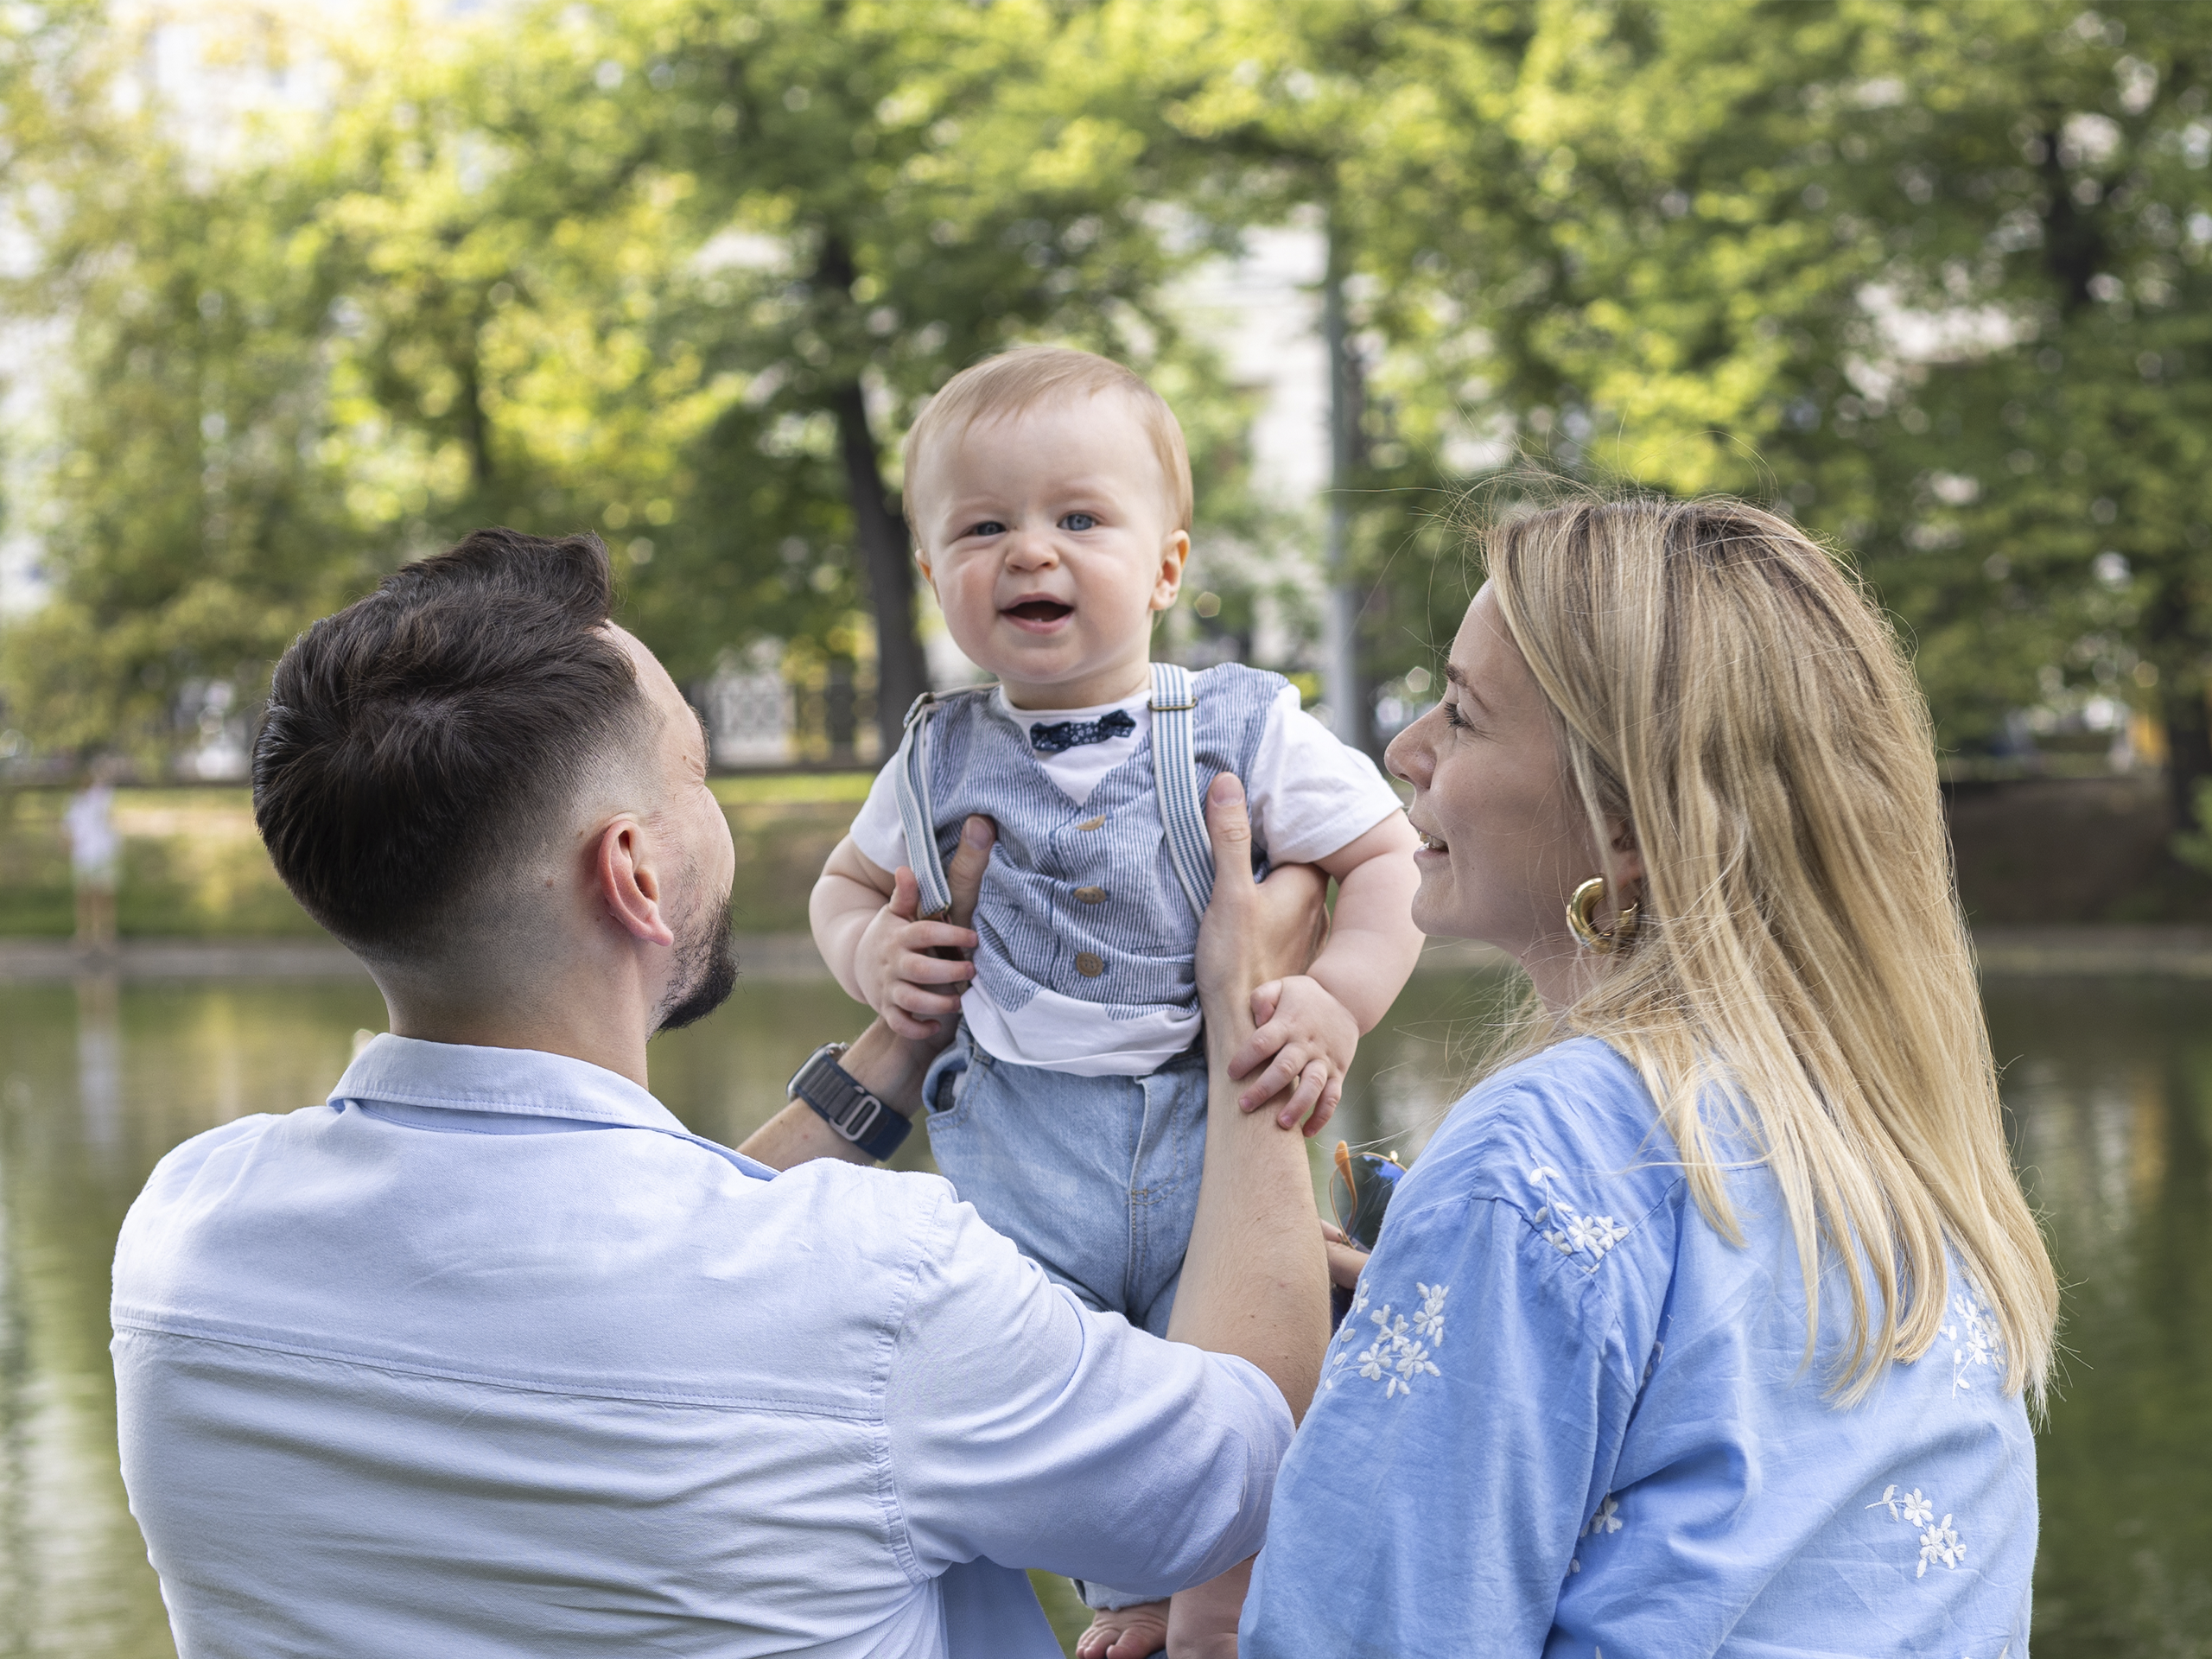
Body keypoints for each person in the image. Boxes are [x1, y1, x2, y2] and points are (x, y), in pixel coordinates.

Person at [109, 527, 1332, 1657]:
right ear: (633, 869)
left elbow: (663, 1267)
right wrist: (1247, 1013)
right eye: (695, 769)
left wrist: (892, 1059)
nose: (720, 811)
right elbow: (1250, 1464)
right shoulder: (889, 1289)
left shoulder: (186, 1238)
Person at [1240, 498, 2060, 1656]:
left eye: (1463, 718)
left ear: (1623, 826)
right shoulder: (1894, 1144)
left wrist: (1238, 1024)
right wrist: (1425, 1313)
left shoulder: (1536, 1160)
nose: (1404, 749)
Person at [810, 346, 1421, 1652]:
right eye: (984, 528)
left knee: (1254, 1412)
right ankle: (1132, 1597)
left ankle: (1221, 1614)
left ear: (1165, 566)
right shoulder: (934, 752)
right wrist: (873, 958)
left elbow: (1382, 859)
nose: (1031, 552)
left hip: (1207, 1144)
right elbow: (842, 887)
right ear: (934, 576)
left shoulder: (1242, 727)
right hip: (1019, 1163)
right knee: (1064, 1422)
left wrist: (1338, 1002)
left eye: (1079, 518)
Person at [63, 758, 122, 950]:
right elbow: (68, 828)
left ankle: (106, 934)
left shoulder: (103, 796)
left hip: (102, 854)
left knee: (104, 895)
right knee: (84, 895)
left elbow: (110, 814)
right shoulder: (75, 801)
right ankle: (85, 934)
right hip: (83, 855)